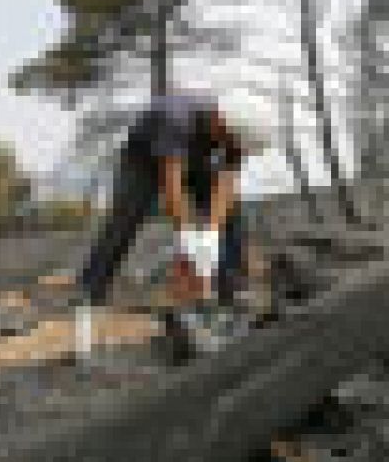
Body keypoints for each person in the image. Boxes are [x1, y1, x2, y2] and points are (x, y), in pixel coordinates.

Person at [75, 87, 268, 328]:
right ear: (220, 122)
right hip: (143, 162)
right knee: (124, 218)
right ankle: (90, 289)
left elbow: (225, 185)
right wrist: (189, 239)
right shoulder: (174, 117)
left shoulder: (234, 134)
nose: (233, 148)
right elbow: (173, 185)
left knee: (233, 215)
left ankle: (232, 290)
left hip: (196, 158)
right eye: (230, 141)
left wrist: (210, 235)